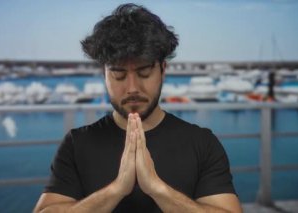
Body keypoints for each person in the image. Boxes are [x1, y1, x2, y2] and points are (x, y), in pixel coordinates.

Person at [34, 3, 242, 212]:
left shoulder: (202, 143)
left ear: (163, 69)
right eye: (119, 74)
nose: (132, 88)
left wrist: (157, 188)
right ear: (104, 74)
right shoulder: (77, 144)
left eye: (144, 72)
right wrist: (116, 189)